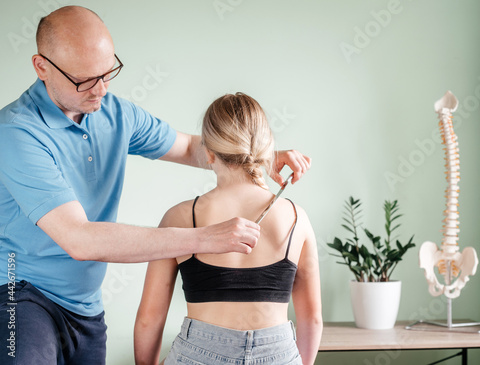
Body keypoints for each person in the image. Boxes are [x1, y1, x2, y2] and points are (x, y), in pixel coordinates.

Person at [0, 6, 311, 364]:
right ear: (42, 67)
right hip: (21, 292)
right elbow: (79, 239)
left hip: (84, 303)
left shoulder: (115, 113)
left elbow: (196, 149)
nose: (101, 89)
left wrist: (261, 157)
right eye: (85, 79)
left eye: (108, 72)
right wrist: (205, 237)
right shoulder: (16, 133)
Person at [134, 93, 322, 365]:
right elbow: (312, 319)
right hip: (279, 353)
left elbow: (149, 319)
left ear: (209, 152)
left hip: (197, 353)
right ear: (266, 146)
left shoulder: (179, 217)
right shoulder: (296, 218)